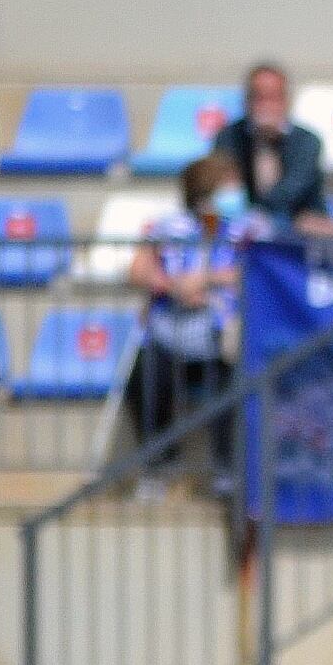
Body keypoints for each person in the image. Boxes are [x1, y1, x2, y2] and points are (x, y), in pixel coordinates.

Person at [122, 153, 241, 473]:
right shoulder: (169, 227)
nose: (236, 193)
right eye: (228, 187)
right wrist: (172, 285)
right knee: (143, 381)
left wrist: (207, 280)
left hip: (220, 335)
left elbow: (252, 273)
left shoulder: (244, 228)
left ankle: (226, 470)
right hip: (172, 332)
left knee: (233, 382)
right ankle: (161, 465)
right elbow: (137, 271)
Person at [221, 62, 333, 237]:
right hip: (243, 232)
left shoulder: (307, 141)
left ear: (286, 100)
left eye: (273, 97)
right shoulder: (229, 138)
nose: (266, 105)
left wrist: (269, 144)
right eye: (259, 97)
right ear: (246, 101)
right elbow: (223, 189)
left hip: (300, 229)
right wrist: (259, 141)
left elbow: (291, 191)